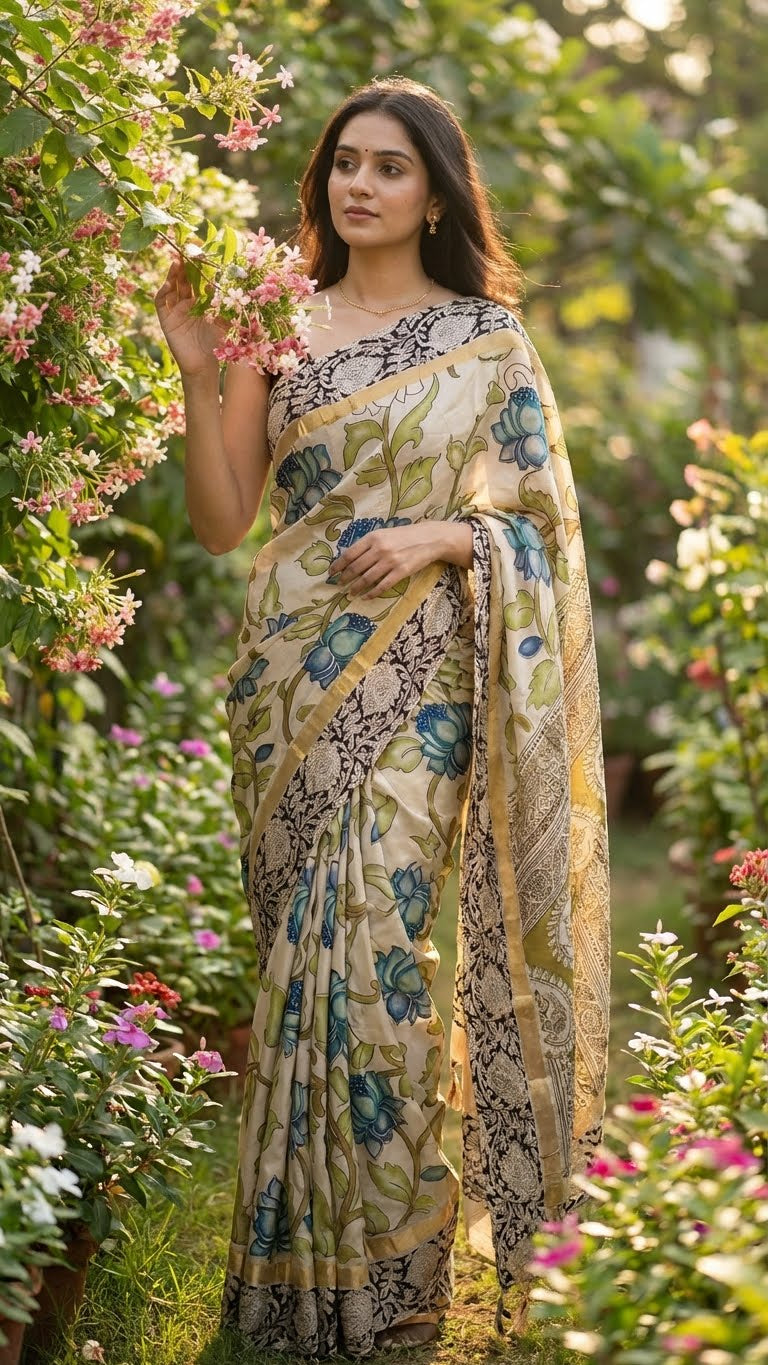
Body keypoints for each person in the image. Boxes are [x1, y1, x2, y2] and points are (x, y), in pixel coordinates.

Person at [154, 75, 610, 1359]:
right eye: (343, 163)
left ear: (435, 191)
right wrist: (202, 372)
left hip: (420, 694)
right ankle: (294, 1289)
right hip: (289, 684)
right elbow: (223, 520)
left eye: (390, 167)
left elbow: (539, 531)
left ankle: (394, 1288)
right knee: (303, 965)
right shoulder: (276, 327)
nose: (360, 184)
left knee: (384, 970)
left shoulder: (488, 340)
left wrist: (442, 536)